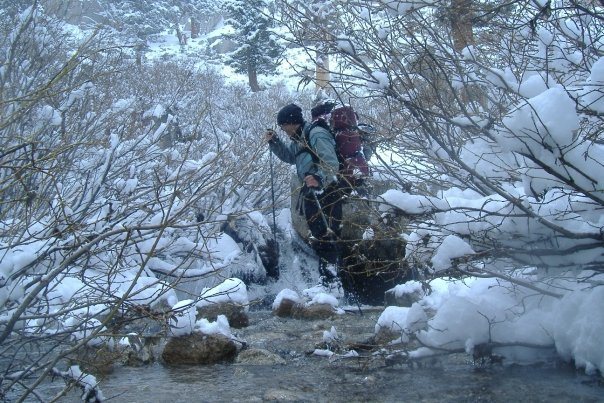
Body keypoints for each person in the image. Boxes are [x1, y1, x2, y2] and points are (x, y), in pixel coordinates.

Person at [265, 103, 343, 289]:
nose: (283, 130)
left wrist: (318, 178)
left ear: (292, 123)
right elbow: (290, 156)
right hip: (312, 194)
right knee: (319, 235)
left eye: (283, 126)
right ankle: (327, 282)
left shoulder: (316, 134)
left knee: (327, 236)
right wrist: (274, 142)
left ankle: (332, 284)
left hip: (327, 193)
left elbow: (332, 164)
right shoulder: (299, 140)